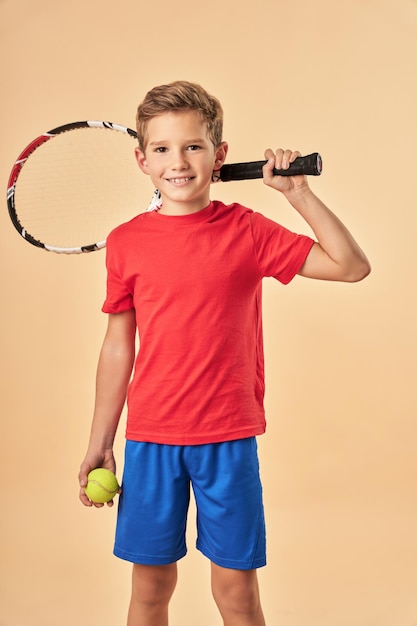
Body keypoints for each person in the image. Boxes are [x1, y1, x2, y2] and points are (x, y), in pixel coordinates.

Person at [78, 80, 370, 626]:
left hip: (227, 439)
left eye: (193, 146)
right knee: (149, 591)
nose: (179, 162)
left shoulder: (248, 231)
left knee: (237, 596)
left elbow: (351, 266)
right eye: (162, 149)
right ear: (142, 160)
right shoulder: (127, 242)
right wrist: (100, 442)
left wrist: (298, 194)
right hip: (150, 440)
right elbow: (118, 346)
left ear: (220, 156)